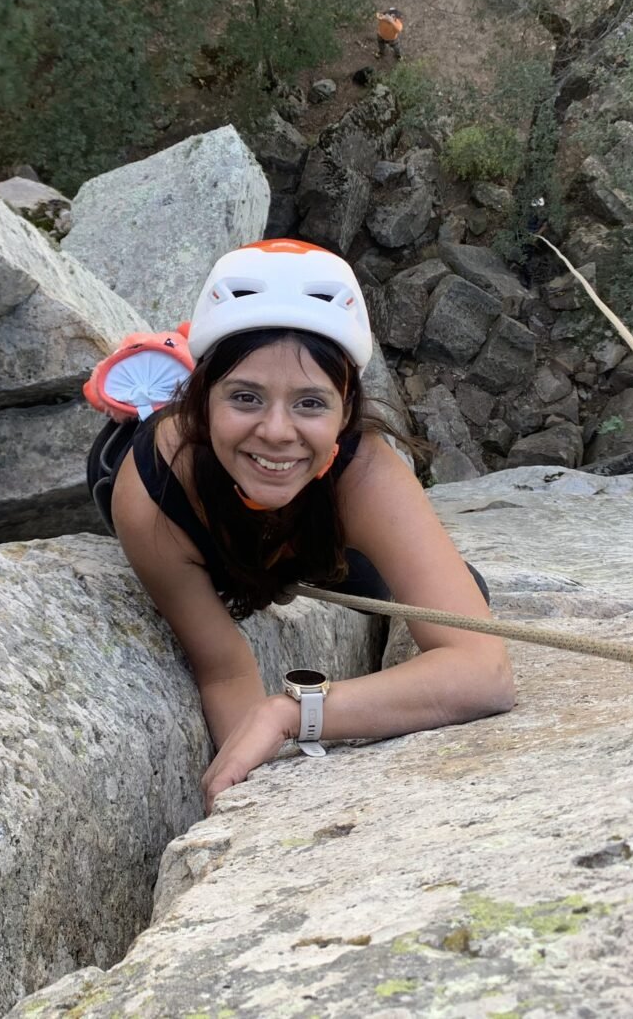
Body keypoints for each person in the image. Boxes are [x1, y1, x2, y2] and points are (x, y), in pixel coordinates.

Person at [87, 239, 514, 809]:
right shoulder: (152, 494)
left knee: (432, 594)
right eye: (245, 397)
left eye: (310, 404)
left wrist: (294, 712)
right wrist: (250, 804)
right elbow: (223, 670)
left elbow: (485, 672)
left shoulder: (363, 474)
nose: (277, 432)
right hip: (197, 516)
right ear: (201, 401)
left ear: (346, 410)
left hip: (305, 530)